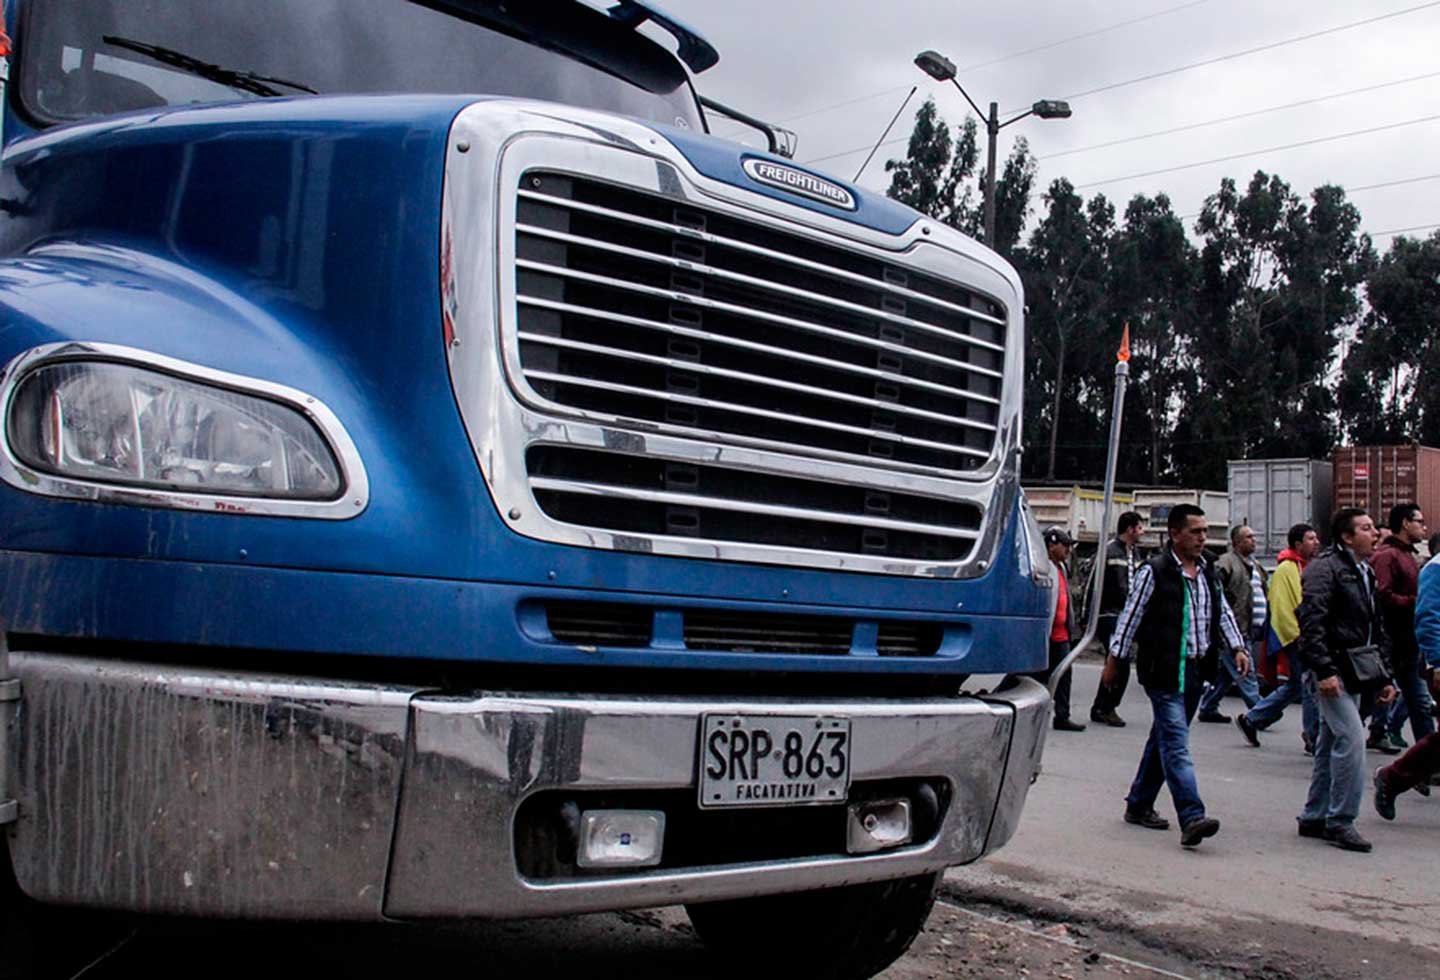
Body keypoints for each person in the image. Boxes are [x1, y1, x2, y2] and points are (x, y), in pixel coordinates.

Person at [1102, 504, 1249, 847]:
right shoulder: (1154, 572)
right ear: (1174, 534)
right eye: (1195, 531)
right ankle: (1191, 816)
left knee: (1164, 740)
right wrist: (1114, 660)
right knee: (1177, 745)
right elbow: (1129, 618)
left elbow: (1221, 611)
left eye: (1204, 531)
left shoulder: (1208, 570)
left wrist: (1238, 647)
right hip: (1163, 672)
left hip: (1196, 671)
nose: (1202, 538)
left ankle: (1138, 804)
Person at [1297, 508, 1397, 853]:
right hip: (1334, 671)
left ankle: (1315, 815)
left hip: (1357, 671)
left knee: (1330, 743)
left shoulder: (1364, 571)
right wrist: (1324, 671)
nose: (1374, 533)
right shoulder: (1325, 570)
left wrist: (1384, 676)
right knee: (1352, 741)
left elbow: (1374, 627)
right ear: (1346, 536)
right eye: (1366, 528)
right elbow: (1311, 624)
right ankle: (1340, 820)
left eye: (1373, 528)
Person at [1373, 529, 1440, 819]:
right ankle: (1393, 777)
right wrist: (1437, 663)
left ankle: (1395, 777)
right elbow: (1427, 618)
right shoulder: (1436, 569)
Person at [1236, 523, 1321, 751]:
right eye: (1311, 539)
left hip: (1304, 637)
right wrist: (1299, 637)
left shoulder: (1307, 567)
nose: (1316, 542)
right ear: (1298, 544)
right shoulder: (1286, 569)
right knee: (1309, 685)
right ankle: (1313, 736)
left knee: (1294, 686)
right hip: (1298, 639)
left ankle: (1252, 718)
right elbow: (1283, 609)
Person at [1365, 503, 1433, 755]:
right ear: (1405, 523)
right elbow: (1381, 596)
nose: (1423, 527)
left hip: (1407, 641)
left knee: (1419, 702)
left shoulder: (1407, 555)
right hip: (1391, 639)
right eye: (1419, 521)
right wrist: (1414, 601)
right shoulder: (1387, 556)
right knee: (1374, 695)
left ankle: (1429, 761)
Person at [1196, 525, 1265, 723]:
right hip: (1233, 631)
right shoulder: (1226, 563)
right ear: (1237, 542)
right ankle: (1262, 712)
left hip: (1249, 628)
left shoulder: (1255, 565)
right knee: (1246, 672)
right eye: (1248, 537)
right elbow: (1216, 595)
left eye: (1253, 536)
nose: (1253, 540)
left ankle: (1208, 707)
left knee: (1225, 674)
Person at [1090, 511, 1147, 728]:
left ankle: (1101, 706)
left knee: (1116, 663)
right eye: (1140, 528)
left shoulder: (1137, 555)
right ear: (1130, 529)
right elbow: (1093, 585)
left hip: (1128, 616)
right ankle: (1106, 707)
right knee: (1119, 662)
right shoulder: (1109, 551)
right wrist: (1089, 616)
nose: (1142, 532)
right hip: (1110, 615)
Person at [1041, 526, 1086, 732]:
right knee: (1034, 676)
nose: (1068, 550)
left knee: (1064, 676)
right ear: (1051, 545)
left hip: (1062, 633)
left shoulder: (1061, 568)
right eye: (1064, 545)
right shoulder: (1041, 567)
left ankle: (1062, 715)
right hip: (1045, 634)